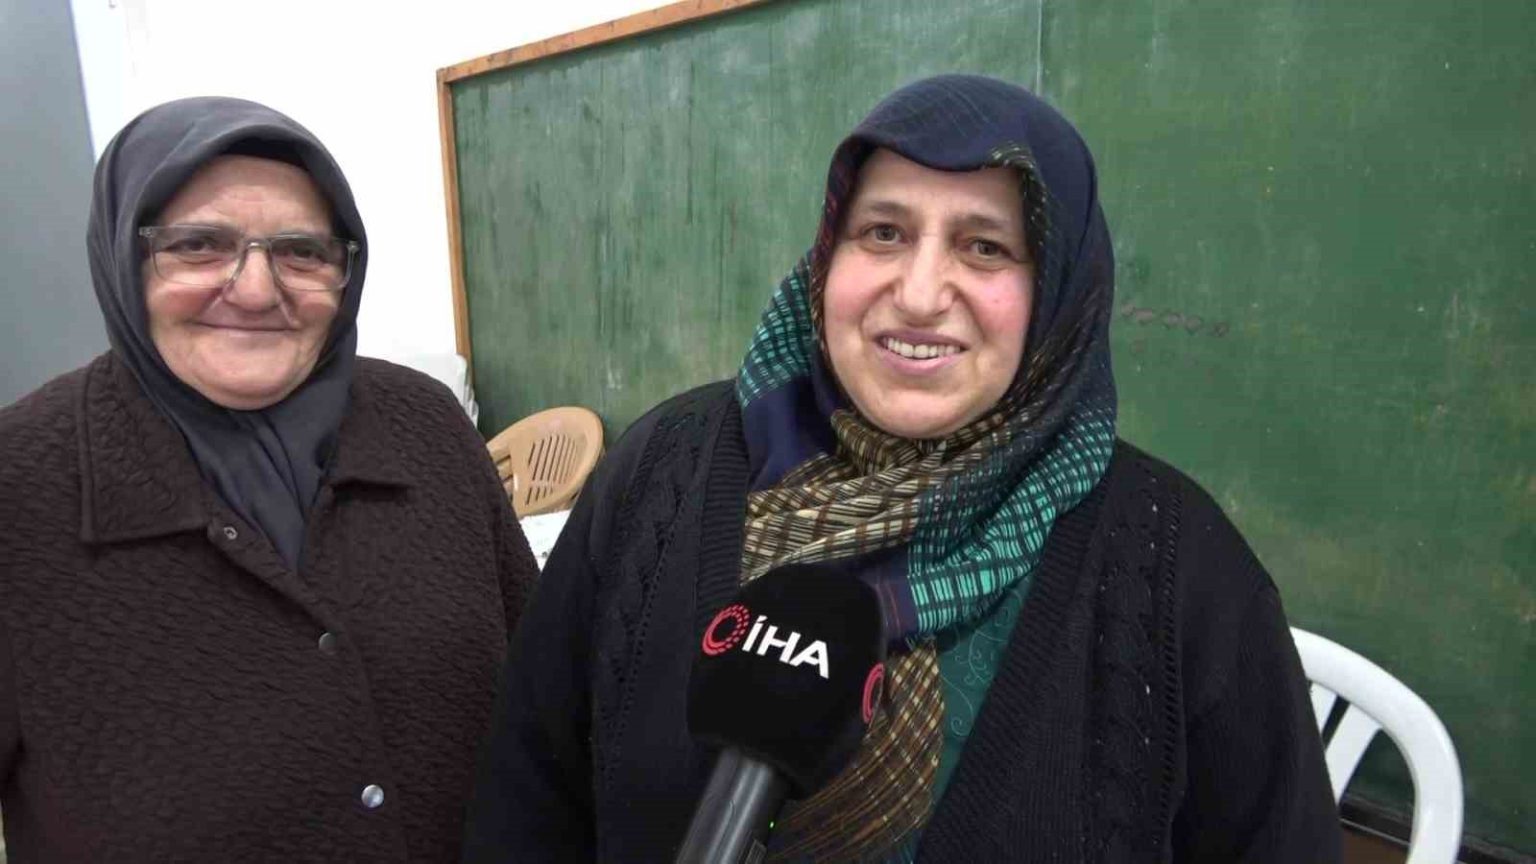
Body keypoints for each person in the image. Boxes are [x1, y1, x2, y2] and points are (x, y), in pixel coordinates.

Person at [462, 75, 1342, 862]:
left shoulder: (1180, 569)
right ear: (827, 255)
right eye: (882, 232)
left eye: (985, 246)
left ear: (1059, 289)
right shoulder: (664, 467)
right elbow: (528, 796)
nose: (919, 294)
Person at [0, 97, 538, 862]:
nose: (256, 289)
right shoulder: (21, 484)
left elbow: (542, 690)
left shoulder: (426, 426)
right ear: (122, 258)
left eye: (302, 252)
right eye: (198, 245)